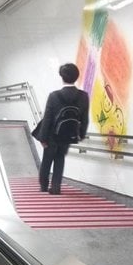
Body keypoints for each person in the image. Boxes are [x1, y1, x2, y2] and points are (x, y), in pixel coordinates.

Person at [37, 63, 89, 194]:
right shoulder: (83, 96)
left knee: (47, 159)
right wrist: (81, 134)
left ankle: (44, 186)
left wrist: (42, 138)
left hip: (52, 135)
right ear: (76, 77)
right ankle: (56, 187)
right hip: (69, 134)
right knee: (60, 158)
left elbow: (47, 118)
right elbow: (84, 118)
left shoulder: (54, 95)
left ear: (62, 77)